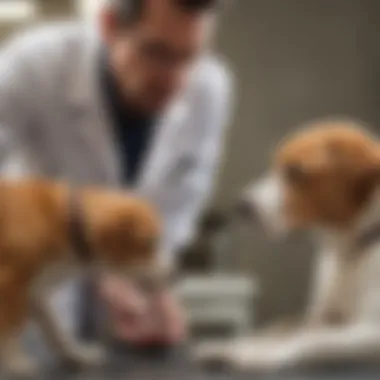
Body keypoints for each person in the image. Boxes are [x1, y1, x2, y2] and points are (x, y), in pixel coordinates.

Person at [0, 0, 233, 360]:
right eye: (156, 52)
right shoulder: (37, 63)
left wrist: (150, 286)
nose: (175, 80)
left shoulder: (210, 88)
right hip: (28, 296)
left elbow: (184, 200)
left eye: (190, 57)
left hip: (128, 304)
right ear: (109, 26)